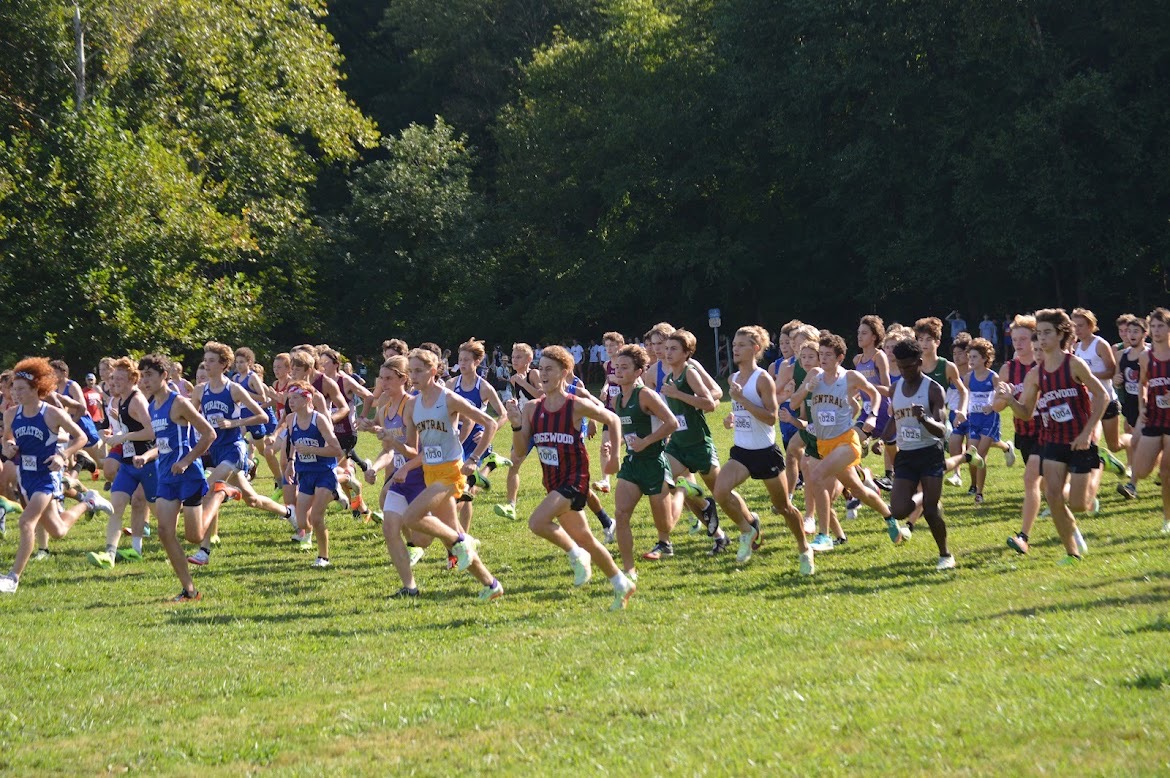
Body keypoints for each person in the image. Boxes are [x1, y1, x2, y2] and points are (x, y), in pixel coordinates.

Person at [506, 345, 635, 610]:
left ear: (564, 373)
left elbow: (613, 419)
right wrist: (517, 423)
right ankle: (621, 583)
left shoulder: (575, 405)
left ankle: (576, 555)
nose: (543, 374)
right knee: (586, 537)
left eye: (549, 369)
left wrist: (615, 457)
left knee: (537, 522)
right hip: (552, 481)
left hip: (575, 479)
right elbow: (520, 450)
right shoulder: (531, 408)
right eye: (541, 369)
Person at [381, 348, 504, 601]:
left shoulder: (449, 398)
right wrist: (388, 440)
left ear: (433, 371)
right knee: (451, 536)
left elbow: (490, 422)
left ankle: (461, 542)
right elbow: (413, 449)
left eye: (418, 371)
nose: (413, 376)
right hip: (429, 472)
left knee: (412, 517)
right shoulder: (413, 404)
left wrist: (473, 459)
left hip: (451, 472)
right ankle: (491, 584)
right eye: (411, 371)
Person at [1001, 308, 1109, 563]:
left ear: (1061, 334)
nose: (1043, 338)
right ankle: (1071, 552)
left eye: (1048, 332)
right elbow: (1026, 413)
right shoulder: (1035, 374)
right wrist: (1009, 401)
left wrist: (1087, 433)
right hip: (1052, 441)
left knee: (1079, 504)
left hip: (1080, 440)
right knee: (1053, 497)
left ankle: (1099, 465)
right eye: (1039, 333)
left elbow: (1102, 396)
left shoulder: (1074, 364)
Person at [788, 332, 910, 553]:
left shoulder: (850, 377)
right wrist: (808, 387)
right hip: (823, 444)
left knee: (814, 476)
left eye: (827, 355)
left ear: (839, 357)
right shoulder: (814, 374)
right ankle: (890, 519)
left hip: (846, 441)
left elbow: (874, 394)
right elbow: (794, 402)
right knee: (858, 489)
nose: (822, 359)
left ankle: (824, 536)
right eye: (820, 354)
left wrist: (872, 415)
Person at [0, 358, 113, 594]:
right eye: (13, 388)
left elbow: (81, 436)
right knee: (58, 530)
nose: (15, 393)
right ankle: (89, 501)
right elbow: (7, 440)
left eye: (21, 389)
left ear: (35, 389)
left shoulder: (51, 413)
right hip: (26, 477)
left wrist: (64, 455)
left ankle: (13, 578)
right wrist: (9, 447)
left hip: (47, 477)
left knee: (25, 522)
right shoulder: (11, 414)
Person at [715, 326, 809, 571]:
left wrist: (743, 401)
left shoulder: (763, 379)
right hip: (741, 452)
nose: (735, 348)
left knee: (783, 508)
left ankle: (804, 549)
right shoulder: (733, 379)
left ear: (755, 349)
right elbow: (741, 411)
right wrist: (731, 417)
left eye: (742, 345)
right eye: (734, 344)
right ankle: (748, 529)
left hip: (766, 453)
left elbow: (770, 417)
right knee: (720, 492)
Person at [140, 354, 218, 601]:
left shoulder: (179, 403)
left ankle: (219, 494)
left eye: (149, 375)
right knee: (164, 532)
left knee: (194, 537)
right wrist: (148, 455)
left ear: (164, 376)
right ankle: (190, 590)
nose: (145, 381)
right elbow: (163, 444)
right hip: (166, 475)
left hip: (188, 475)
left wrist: (185, 461)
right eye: (142, 376)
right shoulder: (152, 406)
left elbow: (209, 434)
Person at [609, 344, 678, 576]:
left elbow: (672, 423)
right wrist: (616, 443)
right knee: (620, 514)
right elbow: (627, 429)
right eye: (617, 367)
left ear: (639, 371)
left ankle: (682, 494)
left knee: (665, 525)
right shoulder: (618, 399)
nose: (619, 371)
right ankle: (629, 569)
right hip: (632, 464)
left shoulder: (646, 395)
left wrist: (646, 441)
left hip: (654, 462)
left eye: (625, 367)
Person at [886, 338, 954, 569]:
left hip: (929, 454)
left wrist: (924, 418)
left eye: (909, 366)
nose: (905, 371)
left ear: (920, 362)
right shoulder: (895, 388)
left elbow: (942, 430)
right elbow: (894, 421)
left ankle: (945, 555)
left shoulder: (934, 389)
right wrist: (879, 439)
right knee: (898, 510)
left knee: (932, 512)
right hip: (905, 455)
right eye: (900, 366)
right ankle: (924, 498)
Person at [87, 357, 158, 568]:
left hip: (148, 463)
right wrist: (110, 433)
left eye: (119, 378)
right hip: (128, 464)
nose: (114, 382)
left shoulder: (137, 400)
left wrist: (124, 437)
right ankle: (110, 554)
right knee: (116, 506)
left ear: (132, 379)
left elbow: (151, 432)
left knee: (159, 513)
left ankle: (192, 534)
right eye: (112, 378)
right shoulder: (116, 401)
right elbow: (122, 429)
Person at [996, 315, 1045, 554]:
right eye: (1015, 339)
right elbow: (996, 406)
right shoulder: (1008, 368)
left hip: (1047, 432)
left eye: (1023, 339)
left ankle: (1024, 536)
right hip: (1023, 433)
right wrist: (1004, 397)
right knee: (1047, 488)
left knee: (1030, 480)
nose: (1018, 343)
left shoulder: (1044, 366)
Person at [285, 380, 345, 568]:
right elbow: (293, 443)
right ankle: (337, 491)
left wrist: (314, 450)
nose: (291, 402)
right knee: (302, 522)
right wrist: (291, 462)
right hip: (305, 473)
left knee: (317, 517)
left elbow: (337, 450)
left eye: (295, 398)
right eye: (289, 398)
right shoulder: (290, 419)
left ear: (307, 399)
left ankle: (323, 557)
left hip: (324, 472)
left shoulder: (319, 419)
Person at [1130, 308, 1170, 533]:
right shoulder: (1146, 357)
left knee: (1166, 473)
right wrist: (1142, 404)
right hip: (1154, 417)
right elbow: (1143, 383)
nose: (1155, 331)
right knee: (1142, 470)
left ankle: (1167, 519)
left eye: (1160, 326)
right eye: (1153, 327)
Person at [1115, 314, 1147, 499]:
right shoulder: (1123, 355)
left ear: (1145, 333)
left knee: (1136, 442)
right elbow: (1118, 379)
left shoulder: (1149, 354)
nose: (1131, 334)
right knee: (1141, 443)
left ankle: (1132, 486)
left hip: (1150, 406)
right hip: (1131, 405)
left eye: (1136, 331)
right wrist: (1117, 380)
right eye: (1129, 331)